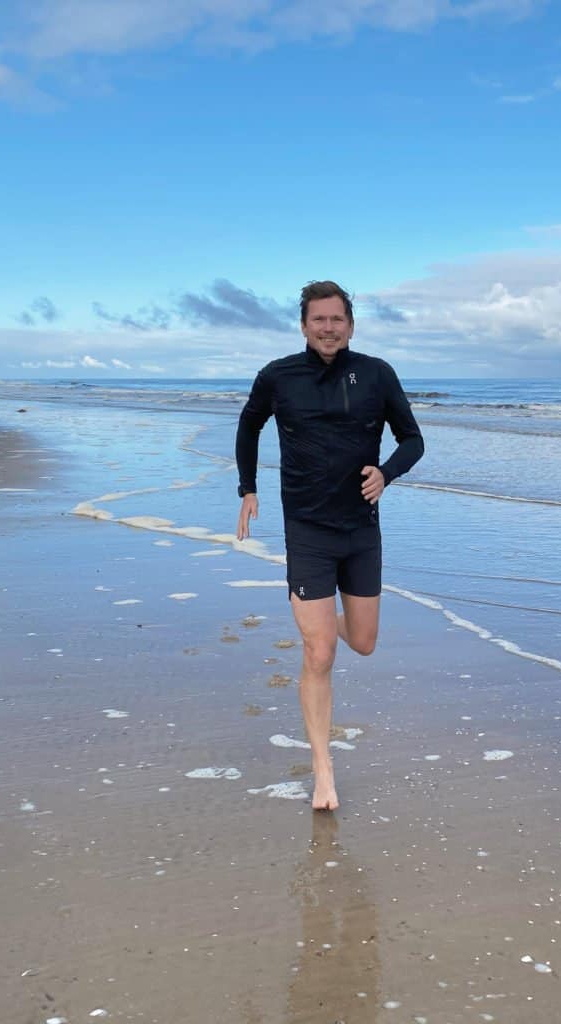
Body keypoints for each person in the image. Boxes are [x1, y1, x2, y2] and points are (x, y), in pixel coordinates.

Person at [235, 280, 424, 810]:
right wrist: (247, 488)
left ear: (350, 324)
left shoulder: (377, 374)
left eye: (337, 319)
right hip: (308, 530)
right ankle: (324, 773)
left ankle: (312, 613)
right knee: (320, 651)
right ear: (303, 325)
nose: (328, 327)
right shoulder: (278, 377)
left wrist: (386, 474)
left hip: (361, 530)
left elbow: (414, 440)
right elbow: (249, 426)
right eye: (318, 319)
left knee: (361, 642)